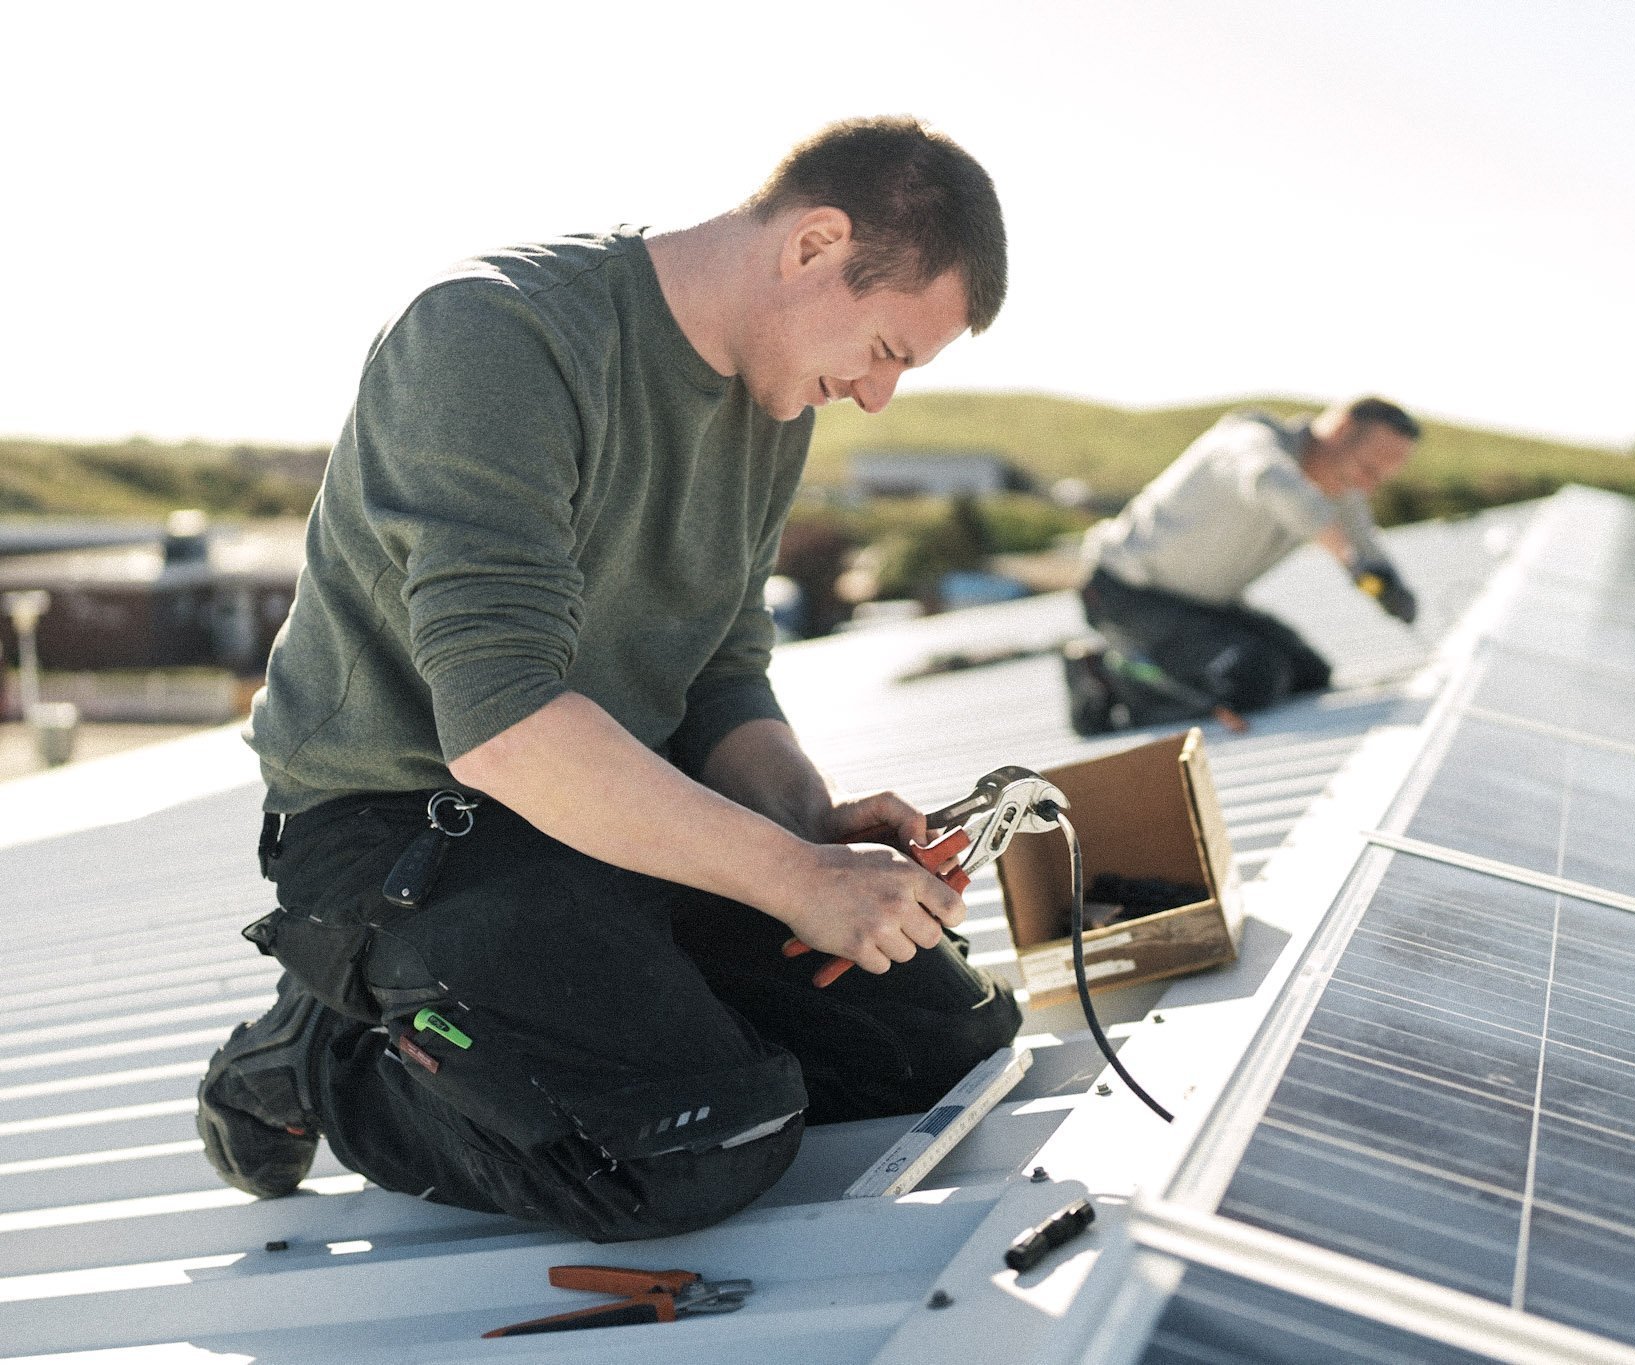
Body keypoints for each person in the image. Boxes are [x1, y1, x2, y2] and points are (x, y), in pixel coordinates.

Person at [196, 117, 1023, 1244]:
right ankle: (322, 1055)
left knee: (938, 1044)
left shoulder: (774, 395)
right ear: (814, 244)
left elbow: (723, 666)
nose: (875, 397)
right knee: (682, 1148)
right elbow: (503, 727)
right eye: (885, 349)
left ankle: (575, 1012)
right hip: (407, 822)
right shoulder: (495, 336)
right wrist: (788, 880)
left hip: (609, 808)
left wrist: (808, 830)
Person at [1069, 398, 1421, 731]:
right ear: (1341, 430)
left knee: (1309, 674)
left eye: (1379, 478)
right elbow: (1273, 483)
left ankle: (1160, 668)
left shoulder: (1339, 484)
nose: (1367, 485)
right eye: (1367, 468)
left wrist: (1395, 592)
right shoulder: (1247, 441)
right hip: (1125, 593)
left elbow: (1365, 541)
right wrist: (1351, 561)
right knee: (1251, 680)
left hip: (1204, 605)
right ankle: (1103, 678)